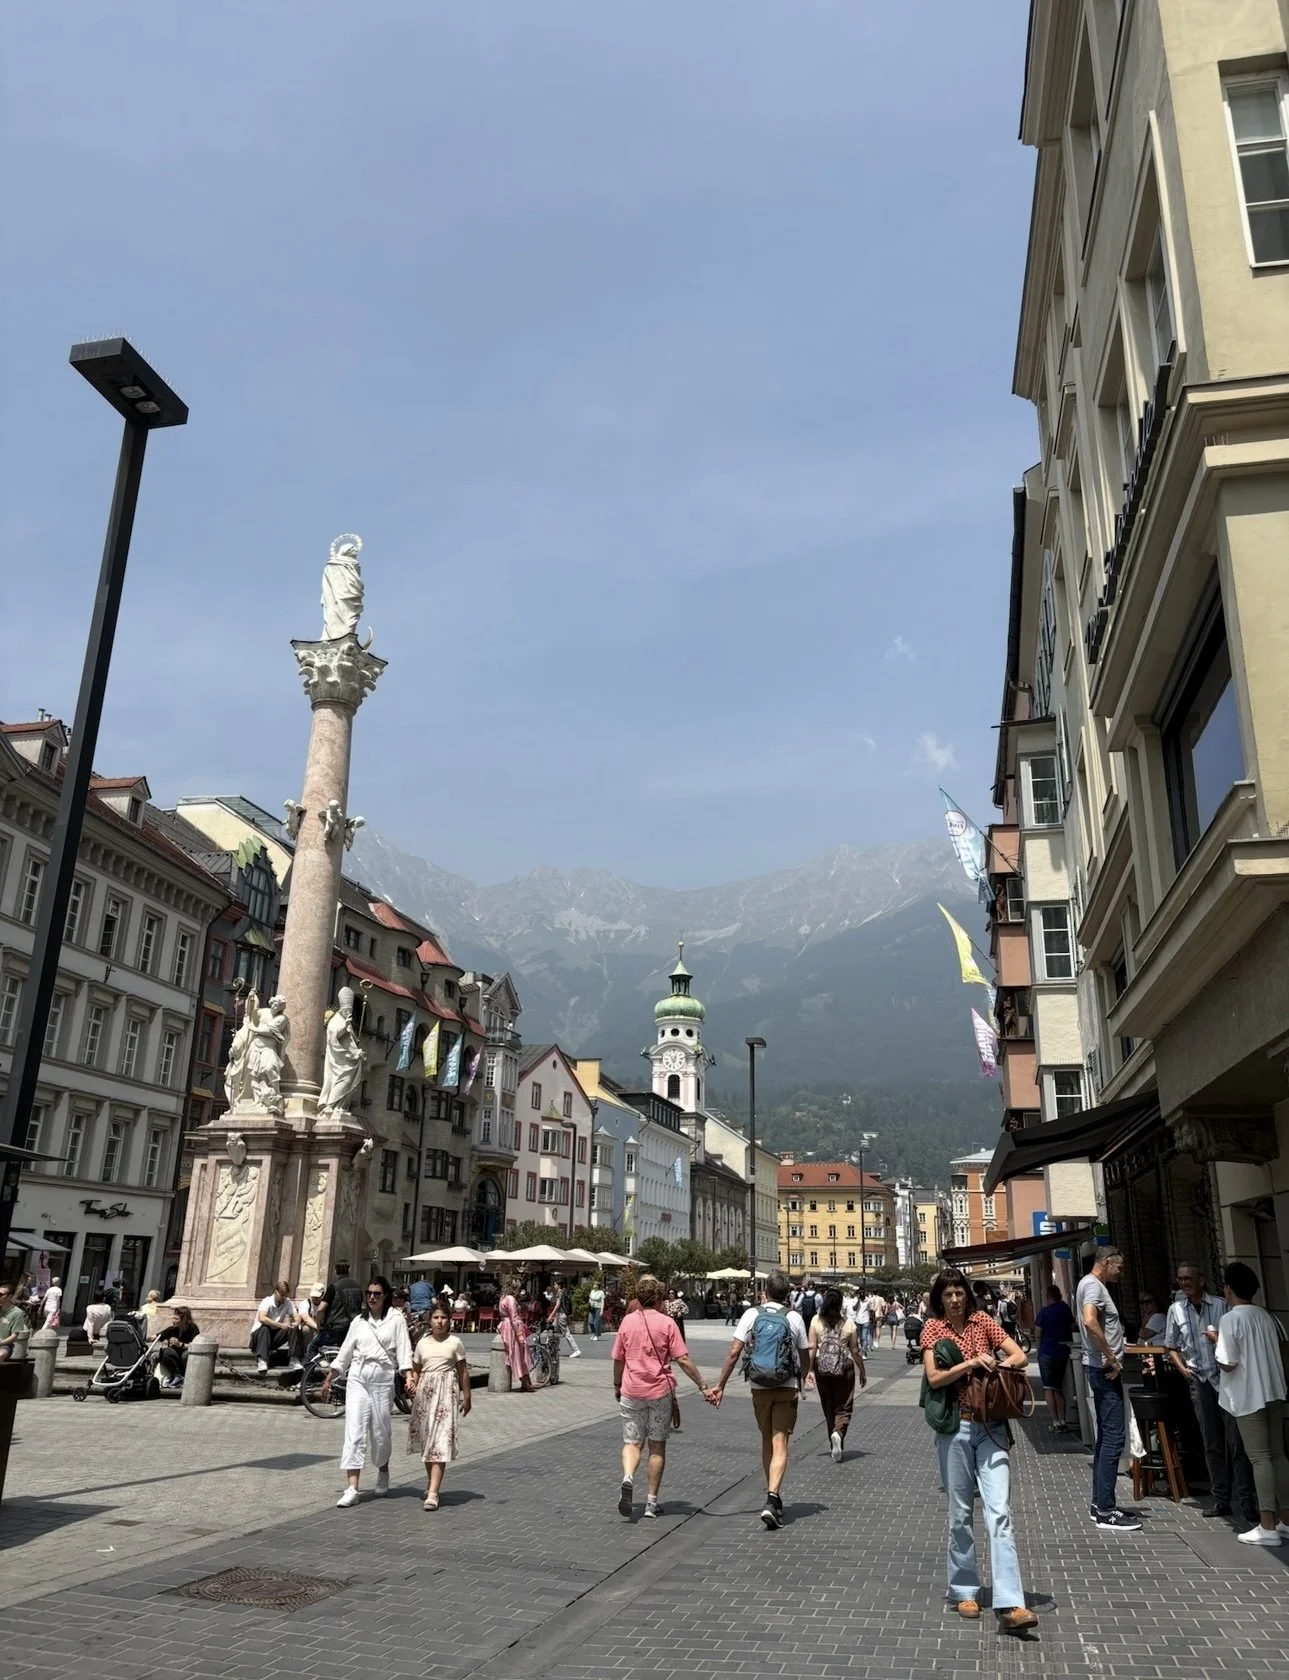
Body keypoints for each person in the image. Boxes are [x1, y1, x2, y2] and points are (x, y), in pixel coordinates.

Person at [920, 1267, 1038, 1632]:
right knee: (959, 1514)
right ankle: (965, 1589)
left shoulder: (982, 1321)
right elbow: (934, 1377)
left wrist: (997, 1364)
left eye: (959, 1293)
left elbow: (1019, 1356)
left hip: (991, 1426)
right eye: (948, 1294)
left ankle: (1011, 1602)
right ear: (940, 1298)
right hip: (955, 1428)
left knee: (999, 1512)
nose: (955, 1299)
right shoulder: (933, 1329)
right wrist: (970, 1362)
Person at [709, 1269, 811, 1530]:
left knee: (767, 1439)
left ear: (765, 1292)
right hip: (786, 1385)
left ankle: (772, 1496)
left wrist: (720, 1385)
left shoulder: (751, 1314)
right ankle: (772, 1497)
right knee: (781, 1441)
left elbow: (734, 1353)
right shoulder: (794, 1318)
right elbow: (804, 1354)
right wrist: (805, 1376)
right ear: (788, 1294)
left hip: (758, 1385)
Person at [1163, 1260, 1257, 1524]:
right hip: (1199, 1379)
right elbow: (1170, 1346)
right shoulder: (1175, 1310)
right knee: (1211, 1442)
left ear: (1201, 1280)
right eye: (1181, 1279)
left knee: (1236, 1442)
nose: (1184, 1283)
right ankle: (1220, 1499)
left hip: (1225, 1379)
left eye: (1188, 1278)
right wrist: (1183, 1370)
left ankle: (1247, 1499)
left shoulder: (1221, 1304)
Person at [611, 1273, 712, 1519]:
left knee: (632, 1443)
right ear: (658, 1299)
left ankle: (627, 1477)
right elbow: (683, 1360)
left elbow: (618, 1358)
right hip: (659, 1391)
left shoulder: (627, 1322)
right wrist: (702, 1385)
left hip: (631, 1389)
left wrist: (617, 1384)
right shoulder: (667, 1324)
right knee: (657, 1447)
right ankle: (651, 1503)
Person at [1213, 1261, 1289, 1546]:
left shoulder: (1231, 1319)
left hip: (1248, 1395)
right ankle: (1285, 1520)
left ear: (1229, 1288)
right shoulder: (1266, 1316)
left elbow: (1228, 1362)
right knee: (1279, 1455)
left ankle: (1266, 1524)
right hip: (1274, 1390)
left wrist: (1214, 1341)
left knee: (1259, 1458)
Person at [324, 1275, 413, 1508]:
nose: (372, 1297)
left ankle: (383, 1469)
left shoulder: (396, 1319)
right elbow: (345, 1352)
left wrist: (409, 1374)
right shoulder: (358, 1321)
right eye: (369, 1293)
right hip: (358, 1378)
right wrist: (332, 1375)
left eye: (377, 1294)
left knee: (380, 1430)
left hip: (383, 1378)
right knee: (354, 1430)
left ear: (386, 1296)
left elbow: (404, 1350)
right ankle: (352, 1487)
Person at [1077, 1247, 1140, 1529]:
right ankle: (1105, 1510)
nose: (1121, 1272)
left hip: (1100, 1367)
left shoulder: (1090, 1285)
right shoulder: (1093, 1286)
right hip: (1105, 1370)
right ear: (1105, 1262)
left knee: (1106, 1437)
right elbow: (1090, 1320)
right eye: (1119, 1267)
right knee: (1113, 1437)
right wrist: (1111, 1356)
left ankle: (1099, 1503)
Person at [407, 1302, 472, 1511]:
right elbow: (416, 1368)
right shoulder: (422, 1343)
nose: (439, 1321)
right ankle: (431, 1483)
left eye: (443, 1317)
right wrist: (412, 1383)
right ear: (429, 1320)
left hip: (446, 1394)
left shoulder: (455, 1343)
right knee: (428, 1442)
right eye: (435, 1318)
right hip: (425, 1395)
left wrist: (467, 1396)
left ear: (449, 1320)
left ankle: (433, 1492)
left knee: (440, 1441)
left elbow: (463, 1371)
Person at [807, 1286, 866, 1460]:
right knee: (844, 1406)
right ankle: (838, 1434)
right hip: (844, 1367)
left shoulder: (816, 1321)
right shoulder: (848, 1324)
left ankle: (832, 1441)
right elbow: (855, 1351)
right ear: (840, 1304)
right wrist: (862, 1371)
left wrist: (809, 1369)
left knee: (828, 1406)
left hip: (821, 1366)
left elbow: (811, 1347)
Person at [1033, 1285, 1075, 1433]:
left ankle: (1055, 1421)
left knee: (1048, 1388)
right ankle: (1063, 1420)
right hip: (1063, 1351)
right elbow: (1072, 1325)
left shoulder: (1044, 1312)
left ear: (1048, 1297)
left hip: (1047, 1351)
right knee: (1058, 1388)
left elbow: (1038, 1332)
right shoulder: (1065, 1310)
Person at [250, 1280, 307, 1374]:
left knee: (293, 1328)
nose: (284, 1297)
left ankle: (294, 1358)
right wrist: (280, 1325)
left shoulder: (287, 1302)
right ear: (276, 1292)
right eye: (282, 1295)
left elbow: (296, 1315)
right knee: (265, 1328)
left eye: (286, 1295)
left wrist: (296, 1322)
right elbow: (262, 1318)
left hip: (274, 1337)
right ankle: (262, 1360)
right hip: (259, 1337)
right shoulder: (266, 1301)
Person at [314, 1262, 364, 1358]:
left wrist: (318, 1325)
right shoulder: (358, 1286)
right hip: (353, 1327)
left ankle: (309, 1372)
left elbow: (320, 1309)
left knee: (312, 1346)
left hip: (335, 1329)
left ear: (336, 1271)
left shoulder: (334, 1286)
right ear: (349, 1270)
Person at [499, 1278, 536, 1392]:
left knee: (515, 1355)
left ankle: (525, 1383)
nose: (519, 1291)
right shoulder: (510, 1299)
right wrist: (519, 1335)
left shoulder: (502, 1298)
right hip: (512, 1328)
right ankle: (525, 1383)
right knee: (518, 1355)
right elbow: (514, 1317)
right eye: (517, 1288)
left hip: (505, 1326)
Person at [156, 1306, 201, 1388]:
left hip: (185, 1356)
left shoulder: (193, 1328)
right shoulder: (172, 1329)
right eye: (173, 1318)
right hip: (175, 1357)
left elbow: (195, 1345)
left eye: (176, 1319)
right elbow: (157, 1336)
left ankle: (187, 1377)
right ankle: (178, 1376)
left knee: (186, 1355)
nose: (173, 1321)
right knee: (166, 1352)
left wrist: (180, 1344)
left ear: (184, 1320)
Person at [0, 1284, 27, 1361]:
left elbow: (14, 1336)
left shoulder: (17, 1313)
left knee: (1, 1354)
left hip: (4, 1345)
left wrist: (1, 1343)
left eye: (0, 1294)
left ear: (9, 1296)